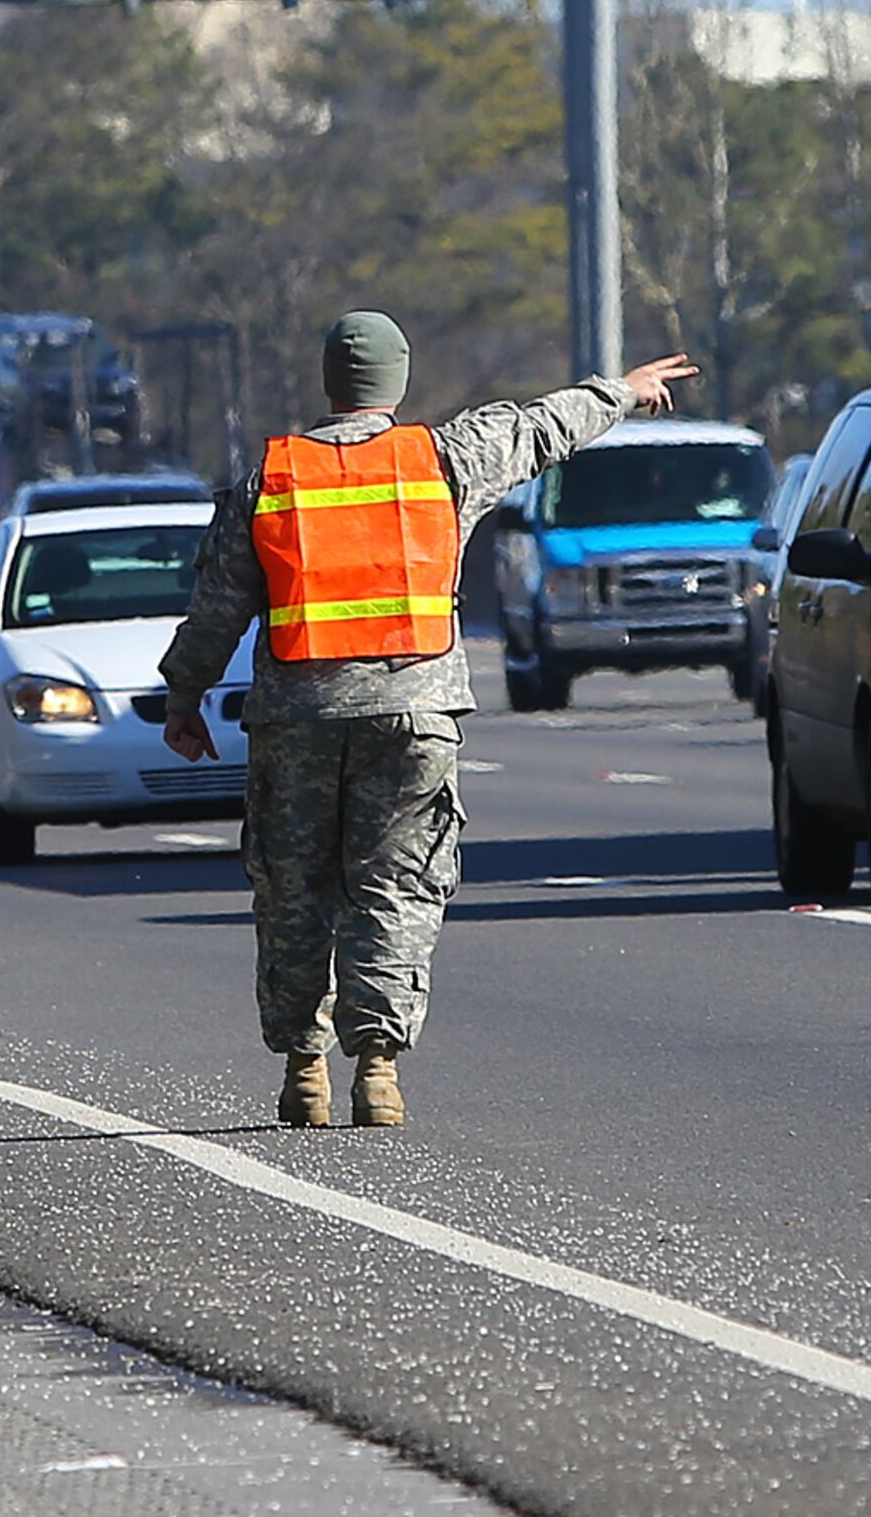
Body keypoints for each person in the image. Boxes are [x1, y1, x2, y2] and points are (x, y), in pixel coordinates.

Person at [158, 311, 697, 1130]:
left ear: (329, 381)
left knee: (294, 890)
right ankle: (378, 1070)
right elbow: (543, 428)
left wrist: (184, 697)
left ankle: (306, 1069)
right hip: (416, 717)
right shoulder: (443, 458)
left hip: (297, 718)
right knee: (397, 886)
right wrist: (623, 391)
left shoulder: (271, 478)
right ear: (397, 380)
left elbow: (215, 610)